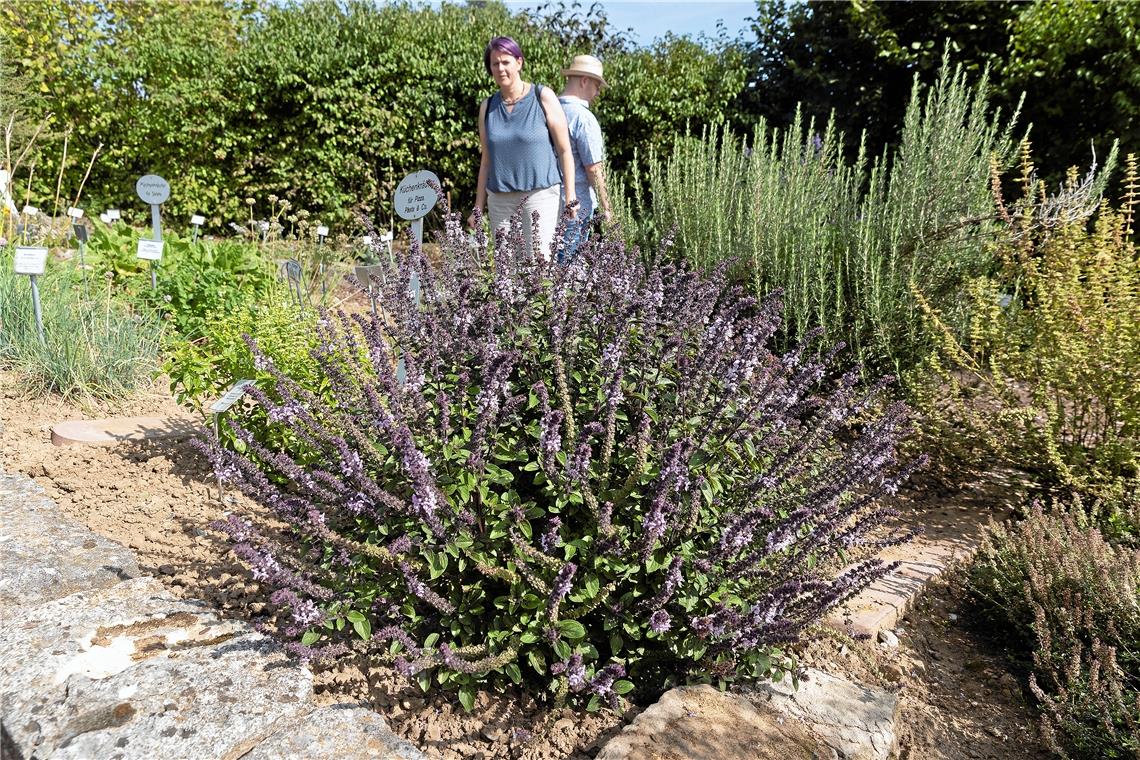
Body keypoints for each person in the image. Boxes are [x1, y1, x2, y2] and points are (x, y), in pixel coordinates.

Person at [469, 37, 576, 261]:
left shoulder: (542, 97)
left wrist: (571, 196)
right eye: (495, 64)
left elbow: (565, 150)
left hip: (540, 198)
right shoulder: (487, 107)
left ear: (519, 62)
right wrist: (478, 206)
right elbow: (486, 160)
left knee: (538, 269)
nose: (500, 68)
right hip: (499, 201)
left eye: (506, 62)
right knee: (506, 274)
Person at [557, 54, 613, 261]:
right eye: (598, 85)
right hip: (576, 206)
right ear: (584, 81)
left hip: (545, 201)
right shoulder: (583, 117)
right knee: (568, 273)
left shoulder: (549, 109)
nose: (598, 92)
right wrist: (607, 208)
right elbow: (593, 168)